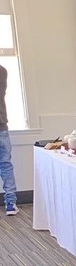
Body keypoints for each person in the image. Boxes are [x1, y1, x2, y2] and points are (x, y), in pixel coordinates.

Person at [0, 65, 18, 216]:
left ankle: (11, 203)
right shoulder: (2, 70)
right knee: (5, 165)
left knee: (5, 165)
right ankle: (10, 204)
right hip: (1, 127)